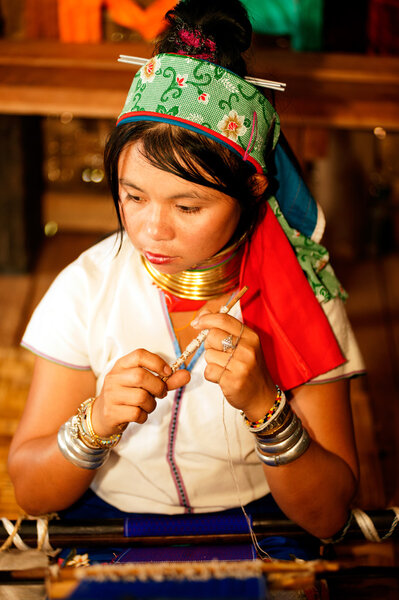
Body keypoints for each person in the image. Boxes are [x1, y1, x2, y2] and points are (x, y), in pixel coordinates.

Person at [8, 0, 365, 563]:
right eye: (132, 195)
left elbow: (328, 514)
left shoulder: (307, 301)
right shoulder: (88, 286)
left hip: (256, 528)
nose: (153, 229)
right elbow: (31, 492)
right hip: (107, 524)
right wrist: (96, 422)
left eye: (189, 206)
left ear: (251, 190)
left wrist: (266, 408)